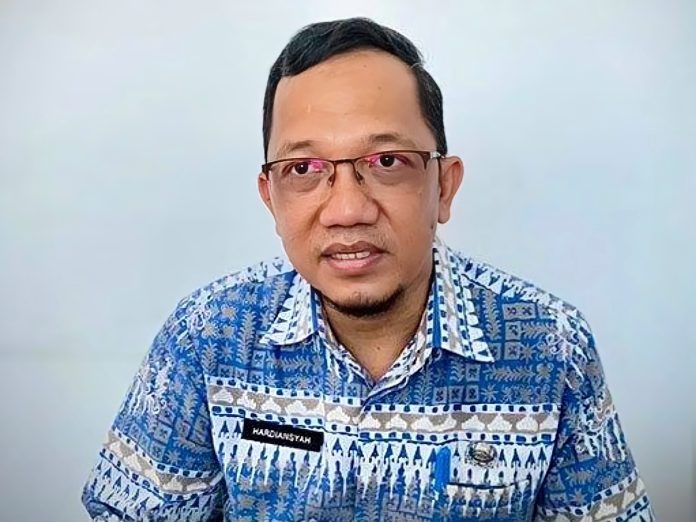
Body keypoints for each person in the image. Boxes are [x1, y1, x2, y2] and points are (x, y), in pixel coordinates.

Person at [82, 17, 654, 521]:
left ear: (444, 187)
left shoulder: (549, 346)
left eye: (387, 161)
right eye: (303, 168)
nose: (347, 209)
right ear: (270, 198)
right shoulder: (209, 335)